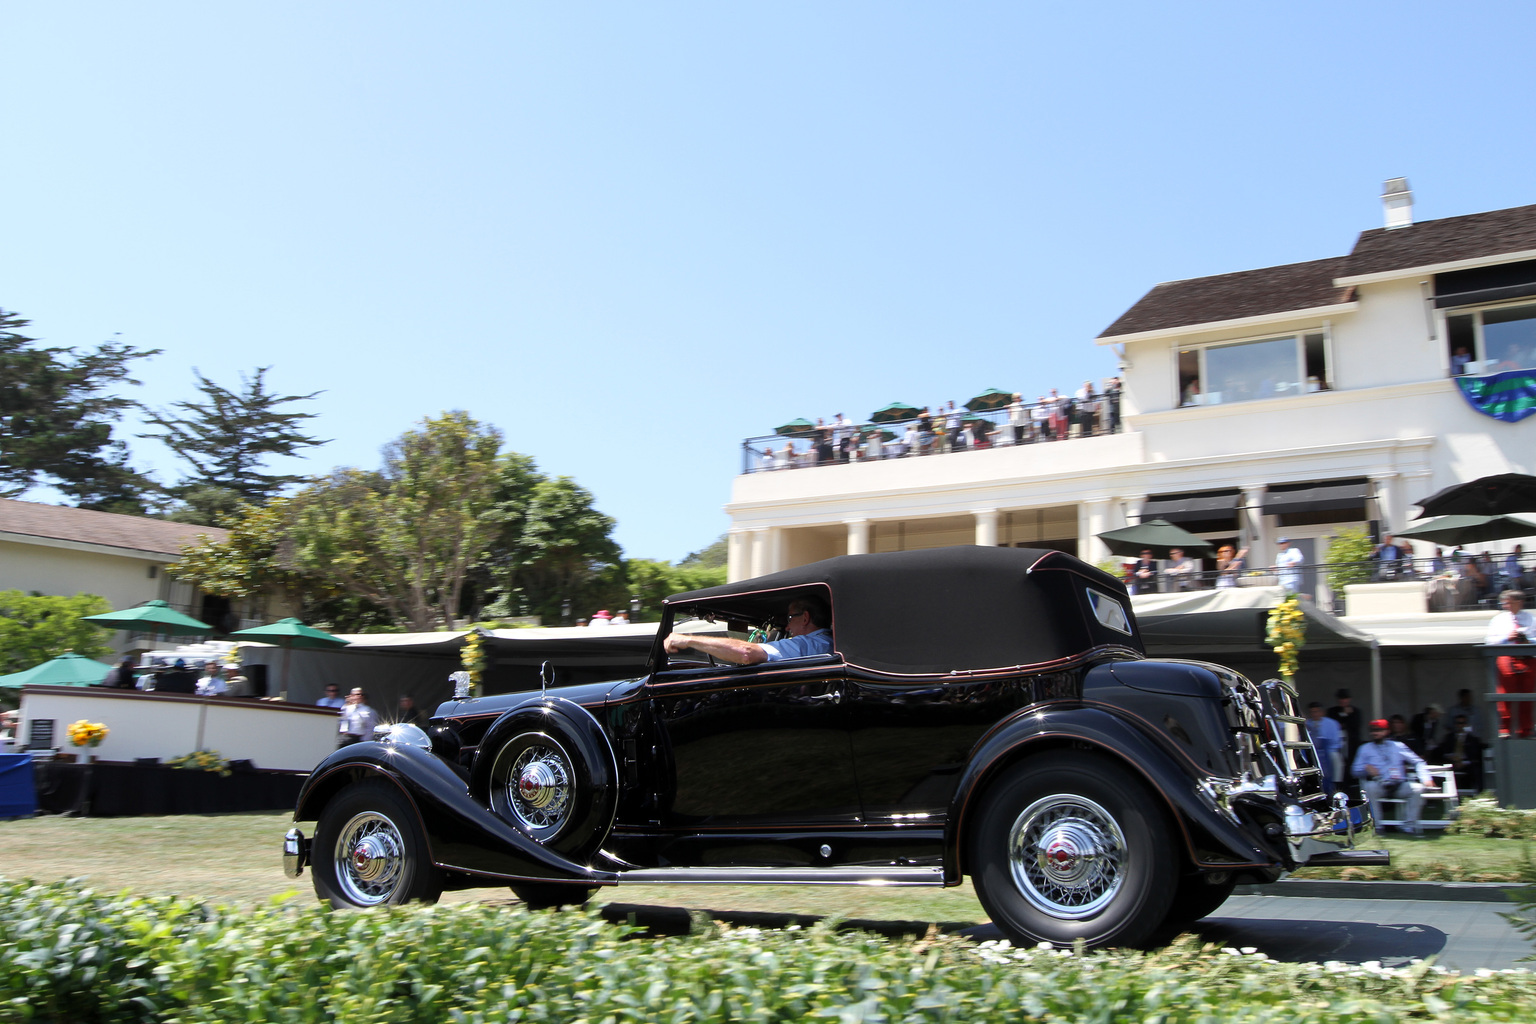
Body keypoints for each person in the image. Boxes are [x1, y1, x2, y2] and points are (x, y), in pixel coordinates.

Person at [664, 596, 832, 665]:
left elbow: (746, 653)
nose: (787, 627)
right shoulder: (827, 643)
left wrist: (689, 640)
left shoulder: (810, 644)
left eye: (789, 619)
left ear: (805, 618)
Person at [1353, 718, 1431, 834]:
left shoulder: (1398, 746)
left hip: (1399, 785)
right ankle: (1377, 826)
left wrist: (1426, 778)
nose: (1375, 733)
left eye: (1379, 730)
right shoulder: (1365, 748)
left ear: (1386, 731)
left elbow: (1418, 762)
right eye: (1373, 730)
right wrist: (1366, 769)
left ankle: (1408, 826)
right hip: (1379, 784)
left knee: (1417, 789)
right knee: (1369, 787)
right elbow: (1354, 770)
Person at [1485, 589, 1536, 738]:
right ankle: (1505, 729)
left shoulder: (1531, 618)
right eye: (1505, 602)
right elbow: (1490, 641)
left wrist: (1527, 640)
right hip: (1507, 657)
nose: (1506, 605)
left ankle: (1525, 730)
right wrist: (1508, 637)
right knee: (1505, 694)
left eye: (1510, 602)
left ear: (1519, 602)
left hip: (1528, 659)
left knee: (1527, 696)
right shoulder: (1498, 620)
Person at [1433, 714, 1486, 795]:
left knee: (1477, 769)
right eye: (1458, 723)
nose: (1460, 725)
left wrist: (1463, 763)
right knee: (1438, 767)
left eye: (1463, 723)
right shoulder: (1448, 738)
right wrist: (1452, 759)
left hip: (1467, 764)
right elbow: (1443, 752)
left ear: (1466, 724)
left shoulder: (1473, 739)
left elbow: (1474, 755)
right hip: (1451, 762)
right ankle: (1436, 793)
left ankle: (1480, 793)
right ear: (1455, 725)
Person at [1305, 701, 1344, 796]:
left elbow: (1337, 742)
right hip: (1312, 751)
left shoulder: (1332, 723)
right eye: (1312, 712)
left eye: (1317, 711)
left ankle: (1334, 786)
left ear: (1322, 712)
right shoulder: (1307, 724)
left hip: (1330, 751)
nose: (1315, 714)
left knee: (1335, 757)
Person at [1328, 688, 1364, 760]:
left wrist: (1348, 716)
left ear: (1349, 699)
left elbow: (1355, 726)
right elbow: (1333, 725)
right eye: (1341, 698)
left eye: (1345, 698)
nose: (1343, 701)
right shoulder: (1332, 711)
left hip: (1351, 744)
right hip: (1336, 743)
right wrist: (1344, 714)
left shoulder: (1356, 711)